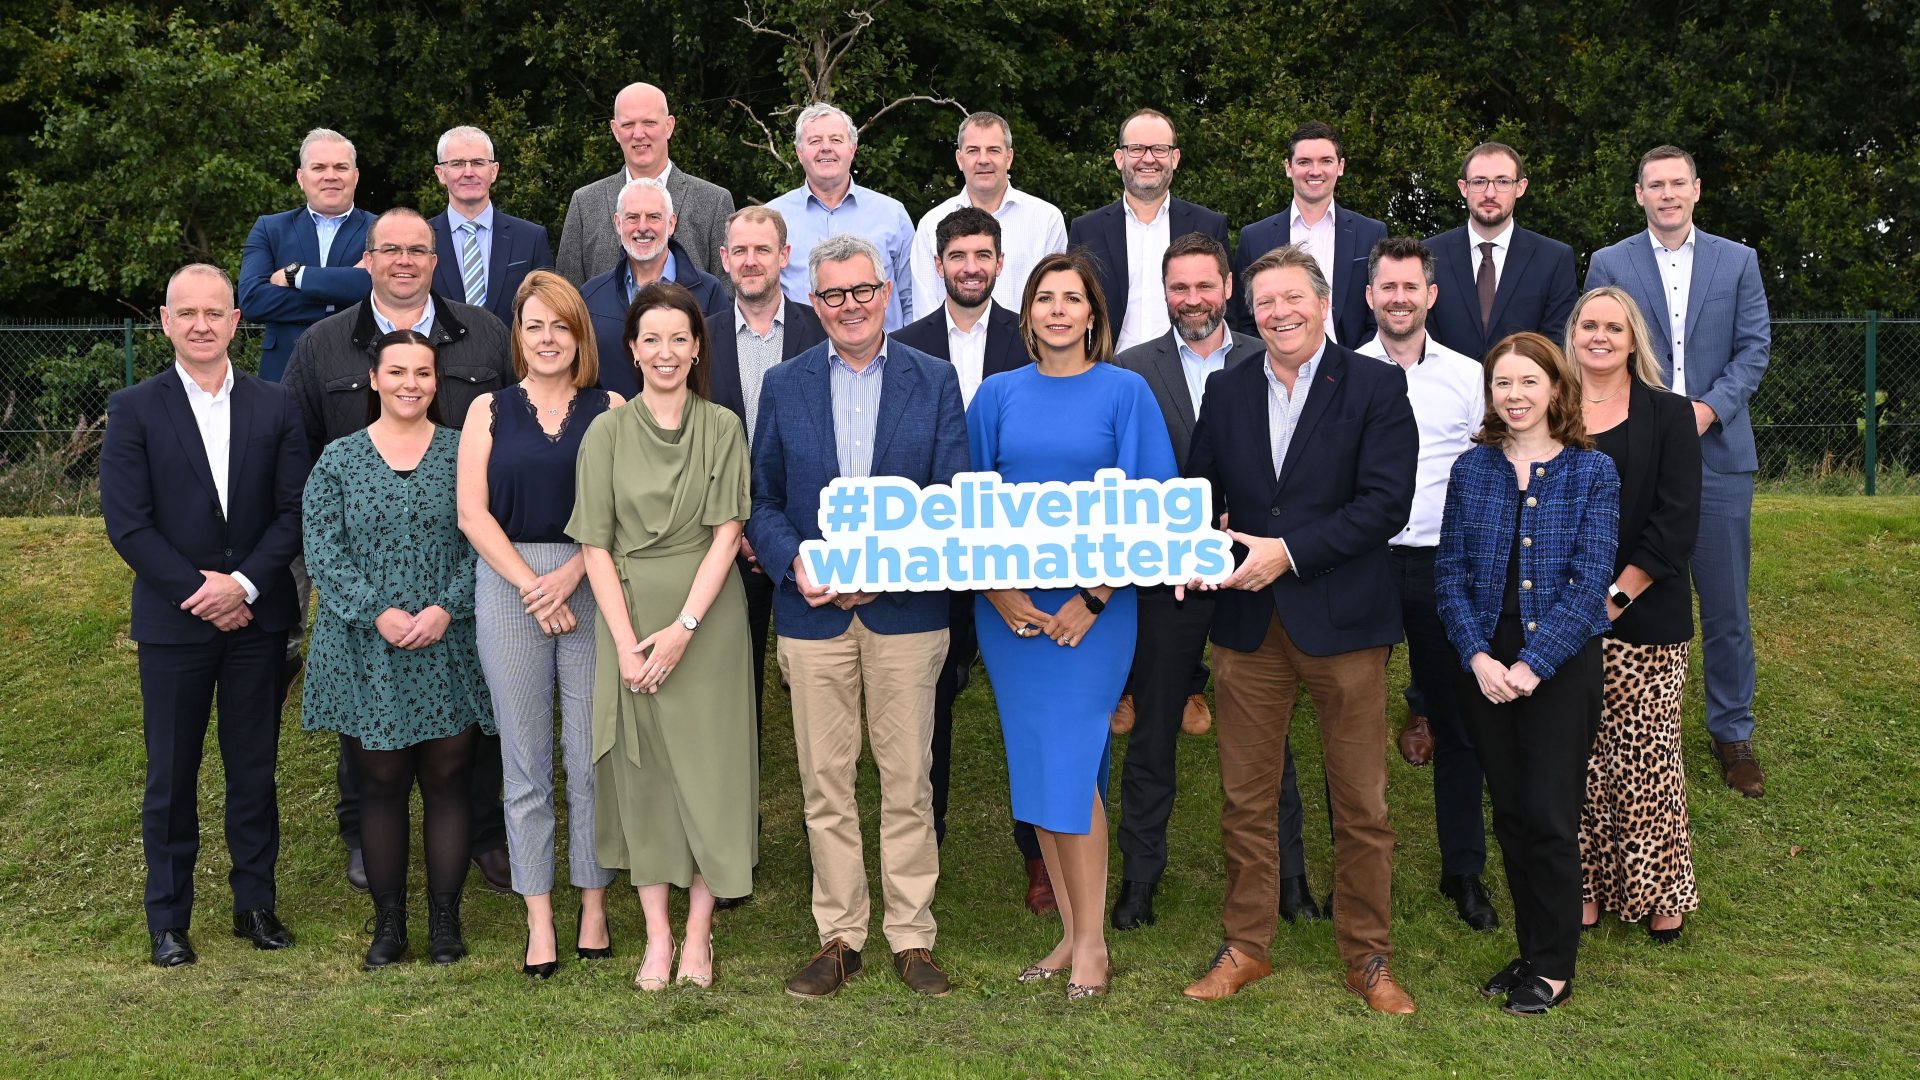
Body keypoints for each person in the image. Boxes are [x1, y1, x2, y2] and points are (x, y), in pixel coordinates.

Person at [1180, 245, 1418, 1013]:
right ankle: (1247, 946)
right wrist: (1194, 545)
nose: (1278, 313)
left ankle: (1368, 958)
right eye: (1265, 302)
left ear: (1323, 304)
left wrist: (1287, 554)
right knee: (1245, 800)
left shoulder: (1377, 384)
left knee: (1362, 804)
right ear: (1248, 311)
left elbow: (1387, 503)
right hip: (1248, 626)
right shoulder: (1227, 387)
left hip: (1344, 621)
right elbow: (1201, 489)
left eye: (1292, 298)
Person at [746, 234, 968, 999]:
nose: (849, 306)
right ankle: (840, 936)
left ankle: (913, 937)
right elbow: (763, 501)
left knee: (908, 780)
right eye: (833, 295)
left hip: (906, 614)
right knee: (824, 784)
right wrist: (794, 562)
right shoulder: (784, 383)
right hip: (811, 619)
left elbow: (950, 498)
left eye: (862, 291)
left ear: (886, 292)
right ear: (816, 302)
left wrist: (881, 573)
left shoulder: (933, 380)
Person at [281, 207, 516, 896]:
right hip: (367, 572)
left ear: (436, 259)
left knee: (469, 722)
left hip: (459, 563)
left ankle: (483, 835)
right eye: (390, 249)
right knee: (369, 729)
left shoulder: (485, 335)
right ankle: (363, 834)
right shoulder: (324, 344)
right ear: (369, 258)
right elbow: (297, 450)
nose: (404, 261)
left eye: (418, 249)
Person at [966, 249, 1177, 999]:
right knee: (1042, 769)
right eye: (1045, 299)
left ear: (1094, 314)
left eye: (1072, 299)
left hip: (1095, 611)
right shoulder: (995, 396)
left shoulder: (1127, 395)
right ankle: (1071, 933)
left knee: (1070, 757)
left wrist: (1092, 596)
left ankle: (1092, 946)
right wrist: (998, 593)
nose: (1058, 310)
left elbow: (1151, 506)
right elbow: (971, 506)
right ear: (1028, 316)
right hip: (1013, 612)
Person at [101, 264, 310, 967]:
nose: (200, 324)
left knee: (253, 770)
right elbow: (128, 524)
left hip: (257, 619)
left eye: (214, 312)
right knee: (171, 775)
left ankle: (254, 905)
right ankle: (168, 919)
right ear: (164, 321)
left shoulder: (276, 405)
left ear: (236, 320)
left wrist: (245, 585)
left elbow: (293, 512)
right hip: (173, 621)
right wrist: (201, 591)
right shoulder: (134, 407)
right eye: (186, 312)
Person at [569, 281, 758, 991]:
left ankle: (701, 937)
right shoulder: (606, 434)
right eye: (652, 338)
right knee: (643, 776)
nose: (666, 351)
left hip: (707, 621)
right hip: (627, 612)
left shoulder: (724, 427)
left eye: (680, 337)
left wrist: (682, 628)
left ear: (698, 346)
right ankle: (657, 936)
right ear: (631, 349)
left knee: (712, 769)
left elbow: (727, 533)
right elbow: (593, 545)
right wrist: (625, 642)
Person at [1436, 331, 1619, 1015]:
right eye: (1502, 384)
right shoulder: (1472, 469)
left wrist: (1533, 666)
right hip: (1486, 666)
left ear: (1556, 389)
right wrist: (1477, 657)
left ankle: (1556, 965)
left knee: (1548, 815)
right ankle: (1533, 947)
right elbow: (1449, 573)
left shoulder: (1591, 472)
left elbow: (1591, 581)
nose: (1514, 396)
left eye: (1527, 383)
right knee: (1509, 815)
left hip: (1559, 667)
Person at [301, 330, 494, 971]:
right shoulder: (339, 459)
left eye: (424, 373)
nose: (411, 383)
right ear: (374, 380)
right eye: (398, 372)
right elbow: (324, 551)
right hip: (368, 647)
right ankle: (389, 926)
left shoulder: (464, 453)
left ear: (438, 382)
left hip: (447, 640)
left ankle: (445, 923)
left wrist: (444, 608)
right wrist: (378, 613)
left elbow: (487, 537)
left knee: (447, 780)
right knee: (379, 784)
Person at [1586, 145, 1772, 798]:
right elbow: (1598, 344)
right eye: (1654, 185)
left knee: (1724, 602)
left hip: (1717, 450)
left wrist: (1705, 411)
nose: (1667, 194)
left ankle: (1731, 732)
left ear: (1697, 190)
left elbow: (1754, 348)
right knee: (1627, 585)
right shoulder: (1611, 263)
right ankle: (1616, 716)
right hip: (1634, 452)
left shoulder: (1737, 261)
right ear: (1639, 194)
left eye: (1677, 183)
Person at [456, 271, 622, 978]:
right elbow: (472, 512)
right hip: (509, 583)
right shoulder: (487, 410)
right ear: (518, 336)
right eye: (534, 326)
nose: (548, 338)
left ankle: (593, 905)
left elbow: (619, 509)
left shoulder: (612, 408)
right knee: (525, 762)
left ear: (579, 334)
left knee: (589, 758)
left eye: (561, 325)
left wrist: (573, 574)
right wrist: (533, 585)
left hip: (593, 580)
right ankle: (539, 916)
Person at [893, 206, 1049, 912]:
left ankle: (1041, 855)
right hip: (931, 557)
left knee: (1029, 706)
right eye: (958, 255)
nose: (971, 267)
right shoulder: (903, 344)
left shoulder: (1035, 337)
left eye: (983, 254)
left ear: (999, 261)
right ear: (938, 264)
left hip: (1018, 557)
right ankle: (928, 846)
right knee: (930, 711)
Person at [1106, 232, 1261, 931]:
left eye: (1204, 285)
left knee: (1267, 735)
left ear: (1227, 286)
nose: (1192, 299)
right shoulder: (1131, 370)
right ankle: (1140, 880)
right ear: (1163, 293)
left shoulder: (1268, 357)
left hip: (1253, 575)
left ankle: (1285, 884)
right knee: (1154, 733)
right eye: (1179, 288)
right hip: (1163, 582)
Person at [1353, 237, 1496, 932]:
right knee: (1351, 727)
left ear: (1431, 296)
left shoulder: (1470, 377)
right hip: (1364, 564)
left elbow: (1488, 470)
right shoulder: (1341, 374)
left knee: (1459, 725)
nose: (1399, 298)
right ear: (1370, 296)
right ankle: (1353, 877)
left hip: (1446, 563)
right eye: (1387, 287)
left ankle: (1462, 871)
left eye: (1411, 287)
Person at [1566, 287, 1703, 943]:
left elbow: (1675, 525)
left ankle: (1660, 891)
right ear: (1573, 334)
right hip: (1563, 622)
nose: (1599, 336)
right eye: (1589, 324)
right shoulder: (1549, 409)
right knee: (1580, 761)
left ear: (1632, 339)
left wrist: (1613, 599)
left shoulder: (1669, 416)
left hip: (1645, 616)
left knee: (1646, 759)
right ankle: (1586, 888)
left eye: (1612, 327)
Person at [708, 206, 826, 782]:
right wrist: (734, 529)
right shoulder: (697, 338)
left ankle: (821, 815)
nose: (750, 261)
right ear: (725, 260)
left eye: (763, 249)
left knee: (820, 692)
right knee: (732, 690)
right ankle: (737, 820)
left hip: (805, 533)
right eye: (740, 251)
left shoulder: (819, 328)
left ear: (784, 257)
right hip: (723, 541)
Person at [1069, 108, 1230, 353]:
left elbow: (1230, 310)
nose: (1148, 158)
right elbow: (1074, 307)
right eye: (1136, 148)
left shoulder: (1209, 225)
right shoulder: (1086, 230)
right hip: (1110, 371)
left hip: (1188, 372)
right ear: (1119, 158)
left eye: (1159, 149)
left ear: (1174, 158)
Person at [556, 82, 735, 283]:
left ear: (669, 126)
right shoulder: (584, 204)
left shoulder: (714, 201)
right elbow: (566, 300)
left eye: (649, 123)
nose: (639, 134)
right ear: (615, 130)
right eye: (628, 125)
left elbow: (726, 299)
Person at [1230, 121, 1386, 347]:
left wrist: (1355, 365)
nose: (1315, 171)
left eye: (1326, 161)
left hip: (1354, 366)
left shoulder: (1371, 233)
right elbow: (1245, 320)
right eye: (1304, 162)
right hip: (1278, 370)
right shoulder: (1255, 238)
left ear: (1340, 166)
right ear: (1288, 167)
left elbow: (1379, 313)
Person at [766, 102, 918, 330]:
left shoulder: (892, 215)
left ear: (852, 149)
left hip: (884, 358)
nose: (826, 147)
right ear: (799, 153)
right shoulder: (773, 219)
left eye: (836, 140)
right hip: (800, 359)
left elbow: (912, 301)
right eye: (815, 141)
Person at [238, 129, 374, 382]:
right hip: (284, 374)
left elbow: (384, 290)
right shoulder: (270, 229)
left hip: (361, 373)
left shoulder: (381, 230)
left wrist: (297, 277)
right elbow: (253, 301)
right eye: (319, 167)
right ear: (301, 177)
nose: (330, 176)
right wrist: (343, 293)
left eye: (341, 167)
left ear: (355, 177)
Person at [1424, 142, 1579, 360]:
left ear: (1521, 187)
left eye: (1502, 181)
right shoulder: (1428, 255)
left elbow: (1555, 344)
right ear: (1463, 187)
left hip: (1523, 391)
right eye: (1479, 181)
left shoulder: (1554, 259)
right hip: (1445, 390)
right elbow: (1421, 335)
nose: (1490, 193)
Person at [580, 178, 729, 398]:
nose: (642, 227)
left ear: (671, 223)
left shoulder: (708, 292)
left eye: (653, 217)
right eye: (632, 217)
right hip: (614, 430)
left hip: (688, 429)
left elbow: (720, 373)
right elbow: (584, 376)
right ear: (618, 223)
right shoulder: (591, 296)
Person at [908, 111, 1068, 313]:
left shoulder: (1046, 220)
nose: (983, 159)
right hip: (950, 345)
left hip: (1027, 344)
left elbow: (1054, 302)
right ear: (960, 159)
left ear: (1009, 157)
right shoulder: (930, 225)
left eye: (993, 150)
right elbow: (926, 311)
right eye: (973, 150)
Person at [429, 125, 555, 326]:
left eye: (478, 162)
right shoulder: (419, 241)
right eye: (457, 163)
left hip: (512, 356)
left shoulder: (531, 238)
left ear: (494, 171)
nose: (469, 172)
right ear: (441, 173)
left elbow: (549, 310)